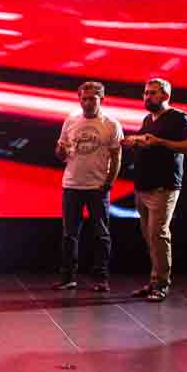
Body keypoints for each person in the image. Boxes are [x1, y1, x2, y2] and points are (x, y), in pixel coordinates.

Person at [121, 78, 187, 302]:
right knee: (150, 237)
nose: (147, 97)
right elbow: (147, 141)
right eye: (145, 93)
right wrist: (134, 142)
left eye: (152, 93)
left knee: (158, 235)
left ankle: (161, 285)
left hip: (164, 186)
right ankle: (155, 281)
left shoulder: (178, 117)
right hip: (143, 186)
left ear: (165, 95)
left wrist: (160, 142)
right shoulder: (148, 119)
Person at [52, 82, 123, 292]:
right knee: (69, 235)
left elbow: (116, 157)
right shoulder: (71, 120)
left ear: (102, 99)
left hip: (97, 186)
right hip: (72, 184)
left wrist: (109, 183)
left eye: (92, 98)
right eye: (84, 99)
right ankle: (68, 278)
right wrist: (61, 150)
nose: (87, 103)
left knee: (101, 234)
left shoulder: (111, 124)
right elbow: (60, 153)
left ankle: (101, 278)